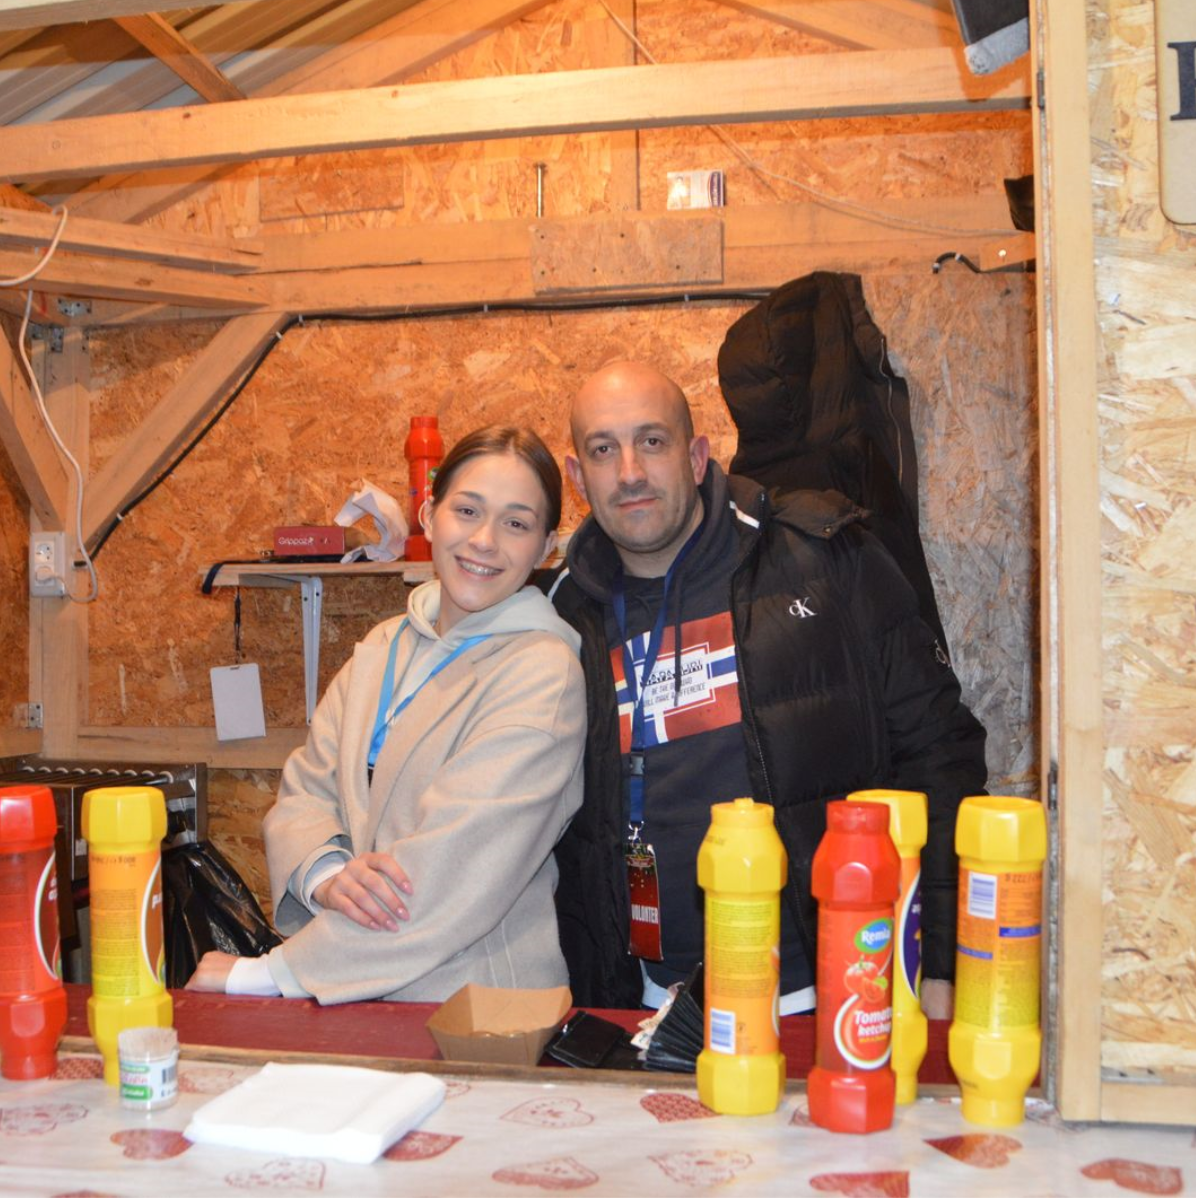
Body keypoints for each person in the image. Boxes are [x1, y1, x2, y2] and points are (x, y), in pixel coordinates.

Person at [548, 360, 988, 1015]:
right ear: (578, 476)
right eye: (603, 450)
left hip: (832, 991)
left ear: (697, 456)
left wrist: (944, 957)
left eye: (652, 441)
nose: (630, 472)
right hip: (645, 1002)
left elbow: (938, 750)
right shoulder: (563, 614)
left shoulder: (822, 558)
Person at [187, 425, 585, 1003]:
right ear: (429, 516)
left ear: (546, 546)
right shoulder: (381, 648)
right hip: (347, 995)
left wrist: (269, 974)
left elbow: (455, 868)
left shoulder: (542, 673)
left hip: (475, 1009)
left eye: (516, 524)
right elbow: (307, 789)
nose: (484, 540)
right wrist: (326, 876)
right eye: (467, 510)